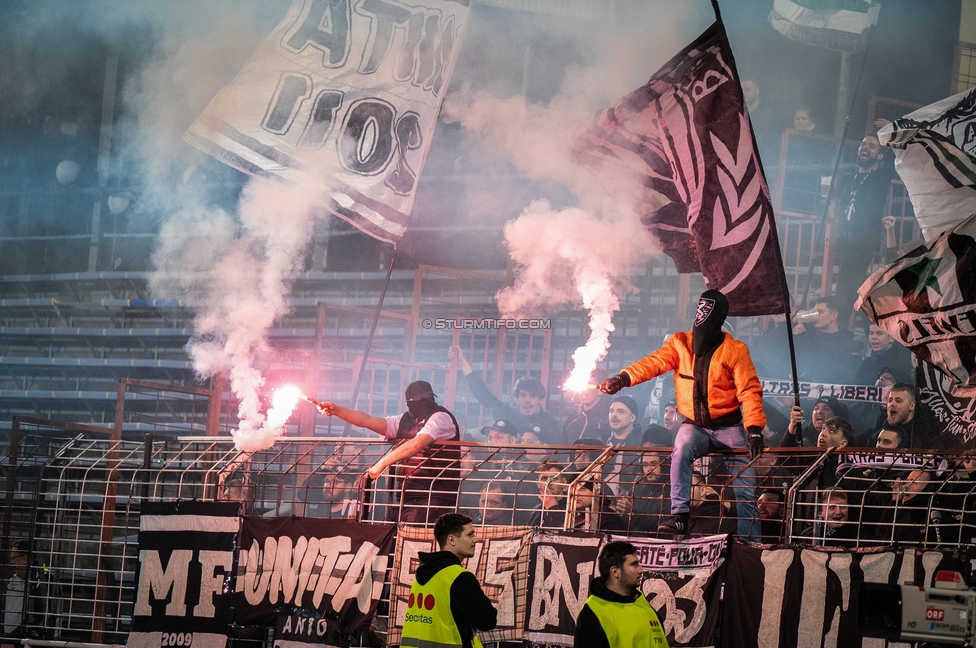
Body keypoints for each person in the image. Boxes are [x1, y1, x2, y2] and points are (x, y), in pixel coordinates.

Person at [601, 290, 764, 540]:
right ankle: (680, 516)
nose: (702, 321)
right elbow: (653, 363)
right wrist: (623, 378)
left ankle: (750, 544)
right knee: (681, 448)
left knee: (745, 491)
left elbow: (749, 391)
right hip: (695, 425)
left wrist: (754, 429)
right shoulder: (680, 343)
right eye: (700, 313)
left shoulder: (736, 350)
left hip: (729, 427)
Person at [316, 380, 460, 524]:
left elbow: (416, 444)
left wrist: (381, 464)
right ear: (409, 403)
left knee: (412, 536)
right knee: (388, 532)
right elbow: (367, 420)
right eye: (416, 401)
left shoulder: (441, 417)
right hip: (406, 493)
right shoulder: (405, 420)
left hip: (435, 495)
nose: (423, 403)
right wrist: (336, 410)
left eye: (426, 399)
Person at [400, 513, 497, 648]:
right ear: (452, 540)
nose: (475, 539)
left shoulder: (421, 576)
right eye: (470, 535)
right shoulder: (460, 578)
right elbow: (488, 621)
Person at [834, 134, 891, 323]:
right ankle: (864, 324)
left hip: (861, 244)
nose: (865, 148)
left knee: (844, 291)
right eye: (863, 143)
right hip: (844, 241)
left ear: (880, 155)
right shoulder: (849, 179)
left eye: (872, 146)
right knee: (850, 290)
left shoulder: (880, 179)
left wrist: (888, 133)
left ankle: (842, 329)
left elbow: (893, 161)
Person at [449, 346, 559, 442]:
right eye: (523, 395)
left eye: (533, 395)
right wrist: (462, 362)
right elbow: (483, 395)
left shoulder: (549, 422)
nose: (527, 399)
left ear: (540, 398)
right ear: (517, 399)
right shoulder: (510, 415)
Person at [574, 541, 669, 648]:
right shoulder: (592, 613)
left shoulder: (642, 601)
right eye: (634, 565)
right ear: (615, 572)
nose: (641, 570)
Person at [791, 297, 859, 383]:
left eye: (819, 312)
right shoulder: (809, 337)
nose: (815, 316)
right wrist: (794, 321)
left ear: (833, 315)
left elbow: (848, 375)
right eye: (814, 312)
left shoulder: (848, 343)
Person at [562, 370, 612, 442]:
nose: (584, 389)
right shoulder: (573, 418)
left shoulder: (607, 418)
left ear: (601, 390)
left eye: (590, 384)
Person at [781, 396, 849, 448]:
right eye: (816, 408)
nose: (819, 411)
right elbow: (784, 459)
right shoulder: (801, 438)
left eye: (826, 409)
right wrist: (792, 425)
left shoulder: (846, 440)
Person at [3, 540, 29, 639]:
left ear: (25, 558)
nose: (12, 562)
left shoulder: (39, 583)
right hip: (9, 636)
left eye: (14, 558)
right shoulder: (12, 580)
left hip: (24, 638)